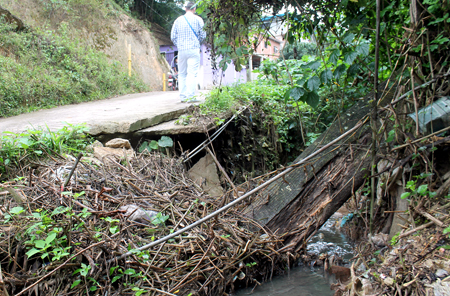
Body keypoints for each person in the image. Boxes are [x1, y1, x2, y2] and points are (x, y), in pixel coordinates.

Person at [171, 1, 206, 102]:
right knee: (192, 73)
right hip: (194, 49)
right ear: (194, 9)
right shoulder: (198, 20)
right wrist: (196, 42)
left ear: (185, 8)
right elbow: (203, 35)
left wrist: (180, 45)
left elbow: (173, 36)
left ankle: (182, 97)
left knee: (182, 73)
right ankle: (190, 96)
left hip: (181, 50)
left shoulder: (178, 20)